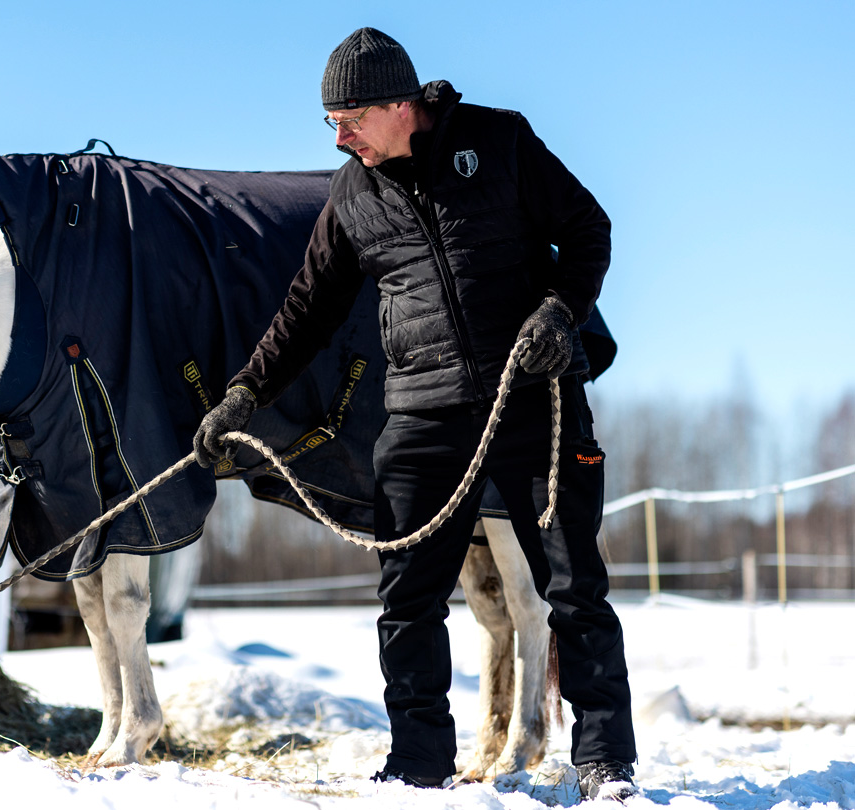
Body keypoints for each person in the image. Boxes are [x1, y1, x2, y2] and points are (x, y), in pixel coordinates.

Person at [192, 27, 638, 799]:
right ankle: (418, 761)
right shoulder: (352, 195)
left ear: (402, 104)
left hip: (531, 396)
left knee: (572, 587)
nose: (340, 135)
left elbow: (588, 229)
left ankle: (603, 758)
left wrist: (560, 313)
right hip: (421, 413)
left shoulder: (497, 142)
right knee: (407, 599)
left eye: (351, 117)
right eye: (330, 120)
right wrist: (243, 394)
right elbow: (307, 309)